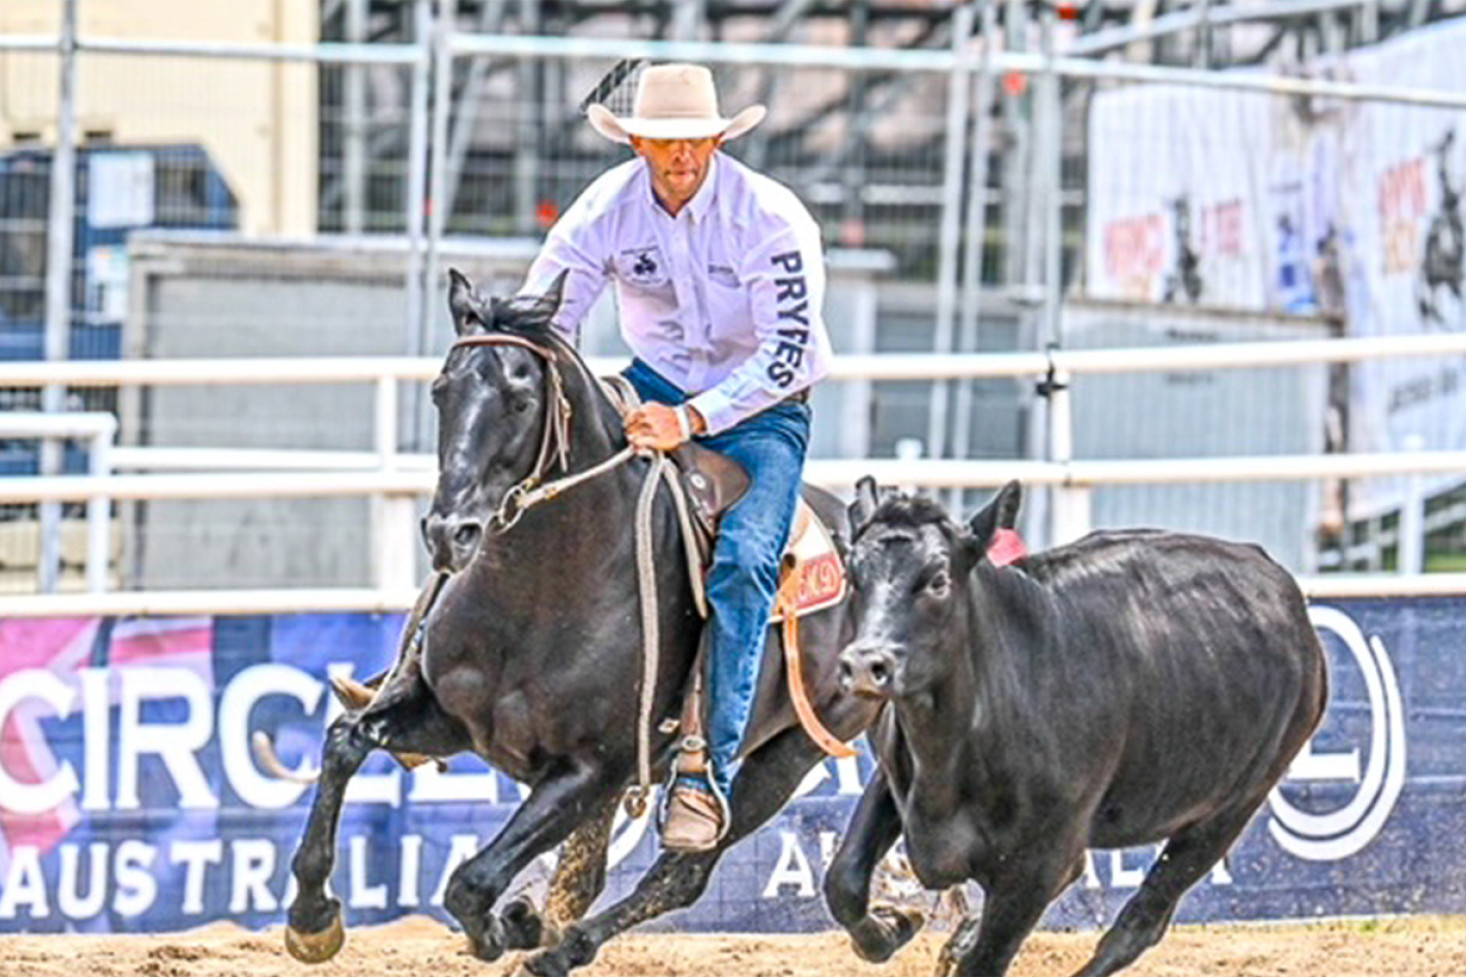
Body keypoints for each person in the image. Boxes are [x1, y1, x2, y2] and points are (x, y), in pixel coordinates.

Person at [519, 63, 832, 851]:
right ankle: (448, 678)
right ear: (640, 143)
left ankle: (705, 768)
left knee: (748, 559)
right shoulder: (606, 209)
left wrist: (691, 416)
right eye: (664, 142)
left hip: (760, 414)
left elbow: (788, 356)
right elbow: (549, 309)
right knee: (533, 485)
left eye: (695, 142)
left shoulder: (769, 218)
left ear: (718, 141)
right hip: (650, 386)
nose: (681, 156)